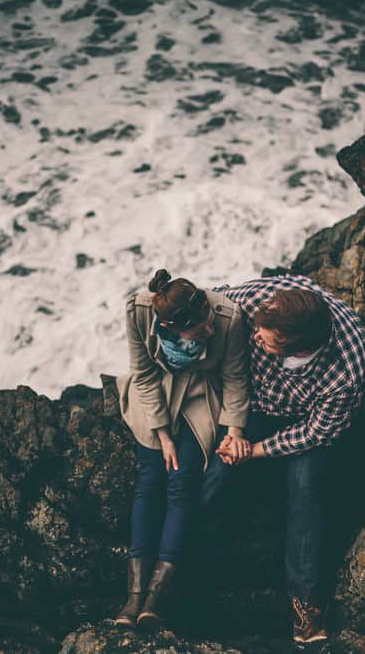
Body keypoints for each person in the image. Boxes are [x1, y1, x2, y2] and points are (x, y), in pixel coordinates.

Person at [203, 273, 365, 644]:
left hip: (307, 419)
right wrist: (235, 433)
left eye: (266, 338)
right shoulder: (257, 302)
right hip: (251, 403)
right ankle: (187, 563)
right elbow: (207, 302)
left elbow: (316, 433)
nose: (257, 337)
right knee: (215, 475)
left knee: (307, 493)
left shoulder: (345, 371)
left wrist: (255, 452)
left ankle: (306, 609)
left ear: (297, 348)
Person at [113, 268, 250, 631]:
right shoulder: (138, 311)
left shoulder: (228, 318)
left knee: (182, 480)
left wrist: (234, 432)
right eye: (199, 329)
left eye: (208, 321)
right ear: (172, 328)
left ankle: (157, 598)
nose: (208, 329)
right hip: (154, 395)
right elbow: (142, 373)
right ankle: (134, 595)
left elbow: (236, 380)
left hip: (197, 396)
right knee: (149, 479)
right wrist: (162, 434)